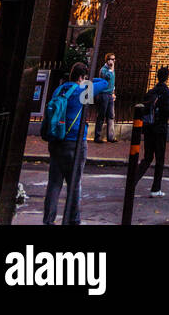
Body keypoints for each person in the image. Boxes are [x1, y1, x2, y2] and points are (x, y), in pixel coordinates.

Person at [43, 63, 111, 225]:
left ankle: (48, 220)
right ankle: (73, 219)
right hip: (75, 142)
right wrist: (91, 79)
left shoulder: (59, 90)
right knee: (74, 183)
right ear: (82, 78)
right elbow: (104, 83)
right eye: (84, 78)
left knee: (54, 183)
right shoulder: (82, 92)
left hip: (56, 140)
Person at [136, 66, 169, 196]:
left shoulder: (151, 92)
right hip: (160, 129)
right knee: (159, 159)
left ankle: (132, 181)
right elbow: (168, 111)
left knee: (147, 157)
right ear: (167, 77)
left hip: (149, 128)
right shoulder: (167, 93)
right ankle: (156, 188)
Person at [93, 53, 116, 143]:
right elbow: (108, 77)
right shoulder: (103, 70)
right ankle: (97, 137)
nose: (113, 61)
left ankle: (110, 137)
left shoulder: (112, 69)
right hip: (103, 95)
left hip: (110, 95)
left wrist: (113, 92)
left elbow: (113, 82)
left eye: (114, 59)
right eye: (111, 59)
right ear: (107, 60)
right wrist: (110, 69)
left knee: (111, 116)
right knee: (101, 116)